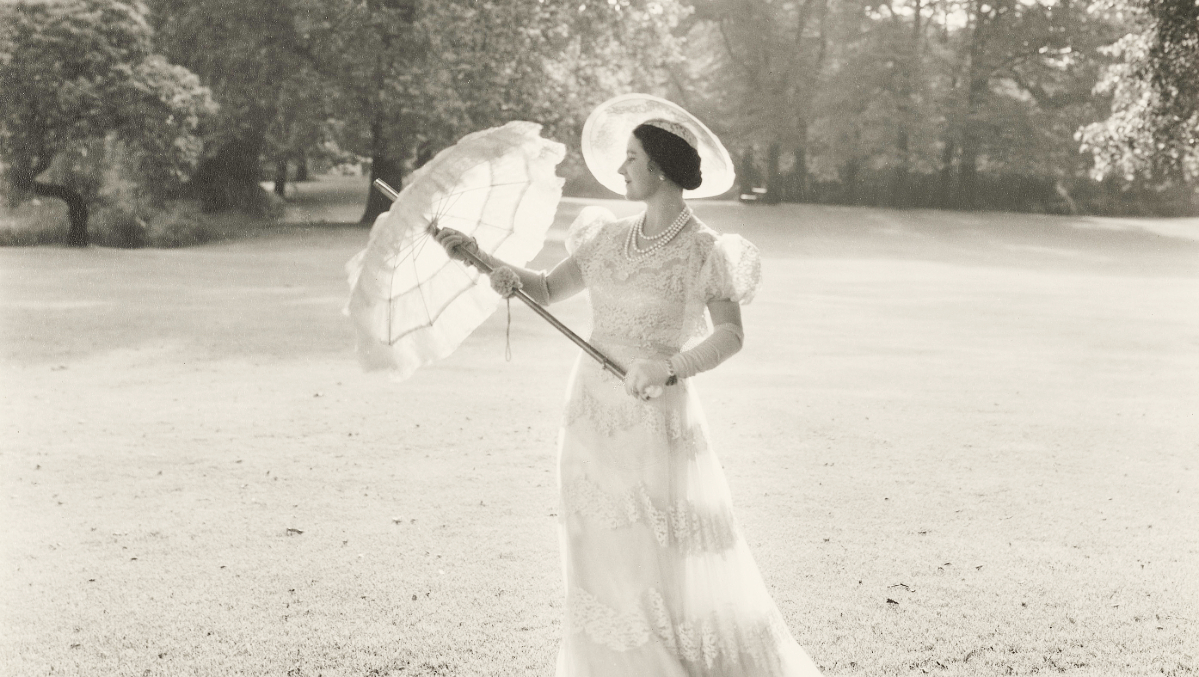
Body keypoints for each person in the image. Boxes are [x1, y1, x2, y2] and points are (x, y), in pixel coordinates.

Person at [435, 94, 823, 677]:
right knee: (595, 548)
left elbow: (731, 336)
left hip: (653, 415)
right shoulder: (607, 238)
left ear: (661, 166)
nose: (620, 169)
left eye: (631, 157)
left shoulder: (704, 251)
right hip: (588, 413)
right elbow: (540, 289)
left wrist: (668, 368)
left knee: (652, 553)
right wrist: (479, 256)